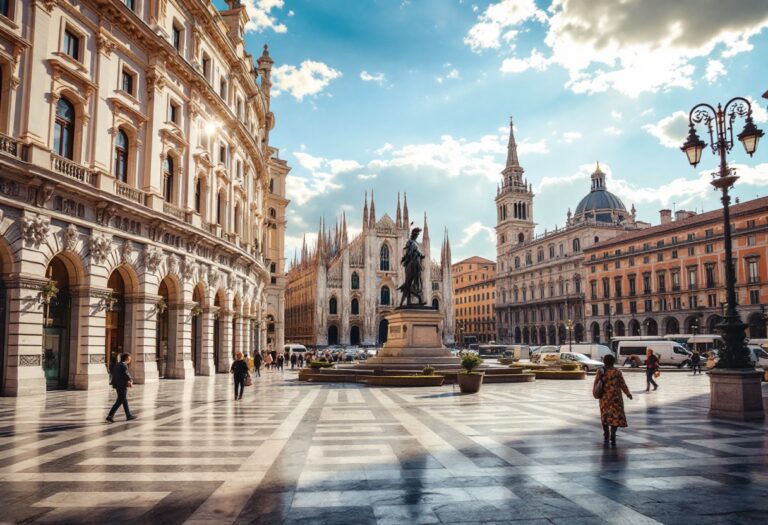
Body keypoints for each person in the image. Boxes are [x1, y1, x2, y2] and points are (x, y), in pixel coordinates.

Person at [594, 354, 632, 445]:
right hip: (616, 398)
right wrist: (628, 393)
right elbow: (622, 384)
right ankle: (613, 432)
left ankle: (606, 433)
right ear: (613, 361)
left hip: (604, 398)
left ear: (604, 361)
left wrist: (595, 392)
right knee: (615, 416)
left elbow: (596, 383)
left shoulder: (600, 371)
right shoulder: (617, 372)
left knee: (605, 415)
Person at [106, 353, 136, 423]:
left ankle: (128, 415)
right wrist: (131, 380)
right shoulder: (123, 365)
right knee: (120, 400)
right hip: (122, 385)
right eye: (129, 358)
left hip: (117, 384)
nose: (130, 360)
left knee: (124, 400)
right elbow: (126, 374)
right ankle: (110, 416)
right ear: (127, 358)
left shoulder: (118, 364)